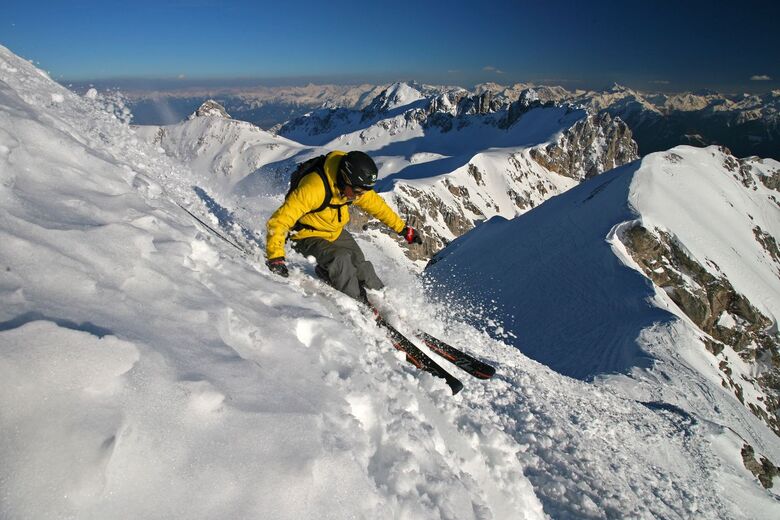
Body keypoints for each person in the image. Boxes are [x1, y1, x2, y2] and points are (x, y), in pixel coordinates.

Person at [265, 150, 422, 302]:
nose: (359, 196)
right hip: (306, 235)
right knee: (340, 260)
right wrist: (275, 257)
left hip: (334, 232)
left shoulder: (354, 187)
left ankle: (385, 301)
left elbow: (378, 207)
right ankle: (358, 302)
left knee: (361, 265)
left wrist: (403, 229)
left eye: (362, 193)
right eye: (357, 192)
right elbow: (280, 220)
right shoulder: (314, 188)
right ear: (344, 179)